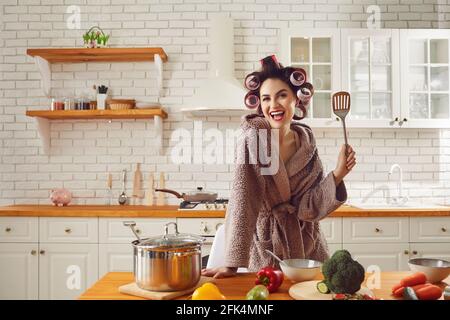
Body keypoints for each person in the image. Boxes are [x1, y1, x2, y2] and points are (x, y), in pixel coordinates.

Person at [202, 55, 356, 278]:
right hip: (268, 249)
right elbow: (244, 200)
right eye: (265, 99)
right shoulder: (252, 139)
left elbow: (308, 206)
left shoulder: (306, 141)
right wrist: (232, 264)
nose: (273, 105)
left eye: (281, 95)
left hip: (308, 246)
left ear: (296, 99)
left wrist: (339, 174)